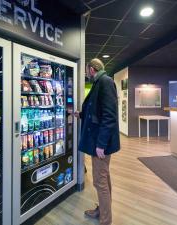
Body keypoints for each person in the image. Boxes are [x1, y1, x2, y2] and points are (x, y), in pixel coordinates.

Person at [74, 58, 120, 225]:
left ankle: (105, 220)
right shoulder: (99, 82)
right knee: (104, 178)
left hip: (101, 144)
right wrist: (79, 114)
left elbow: (109, 116)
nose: (86, 73)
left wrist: (101, 144)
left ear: (92, 69)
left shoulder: (105, 82)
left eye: (87, 70)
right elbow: (96, 111)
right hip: (98, 141)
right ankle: (102, 210)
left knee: (99, 181)